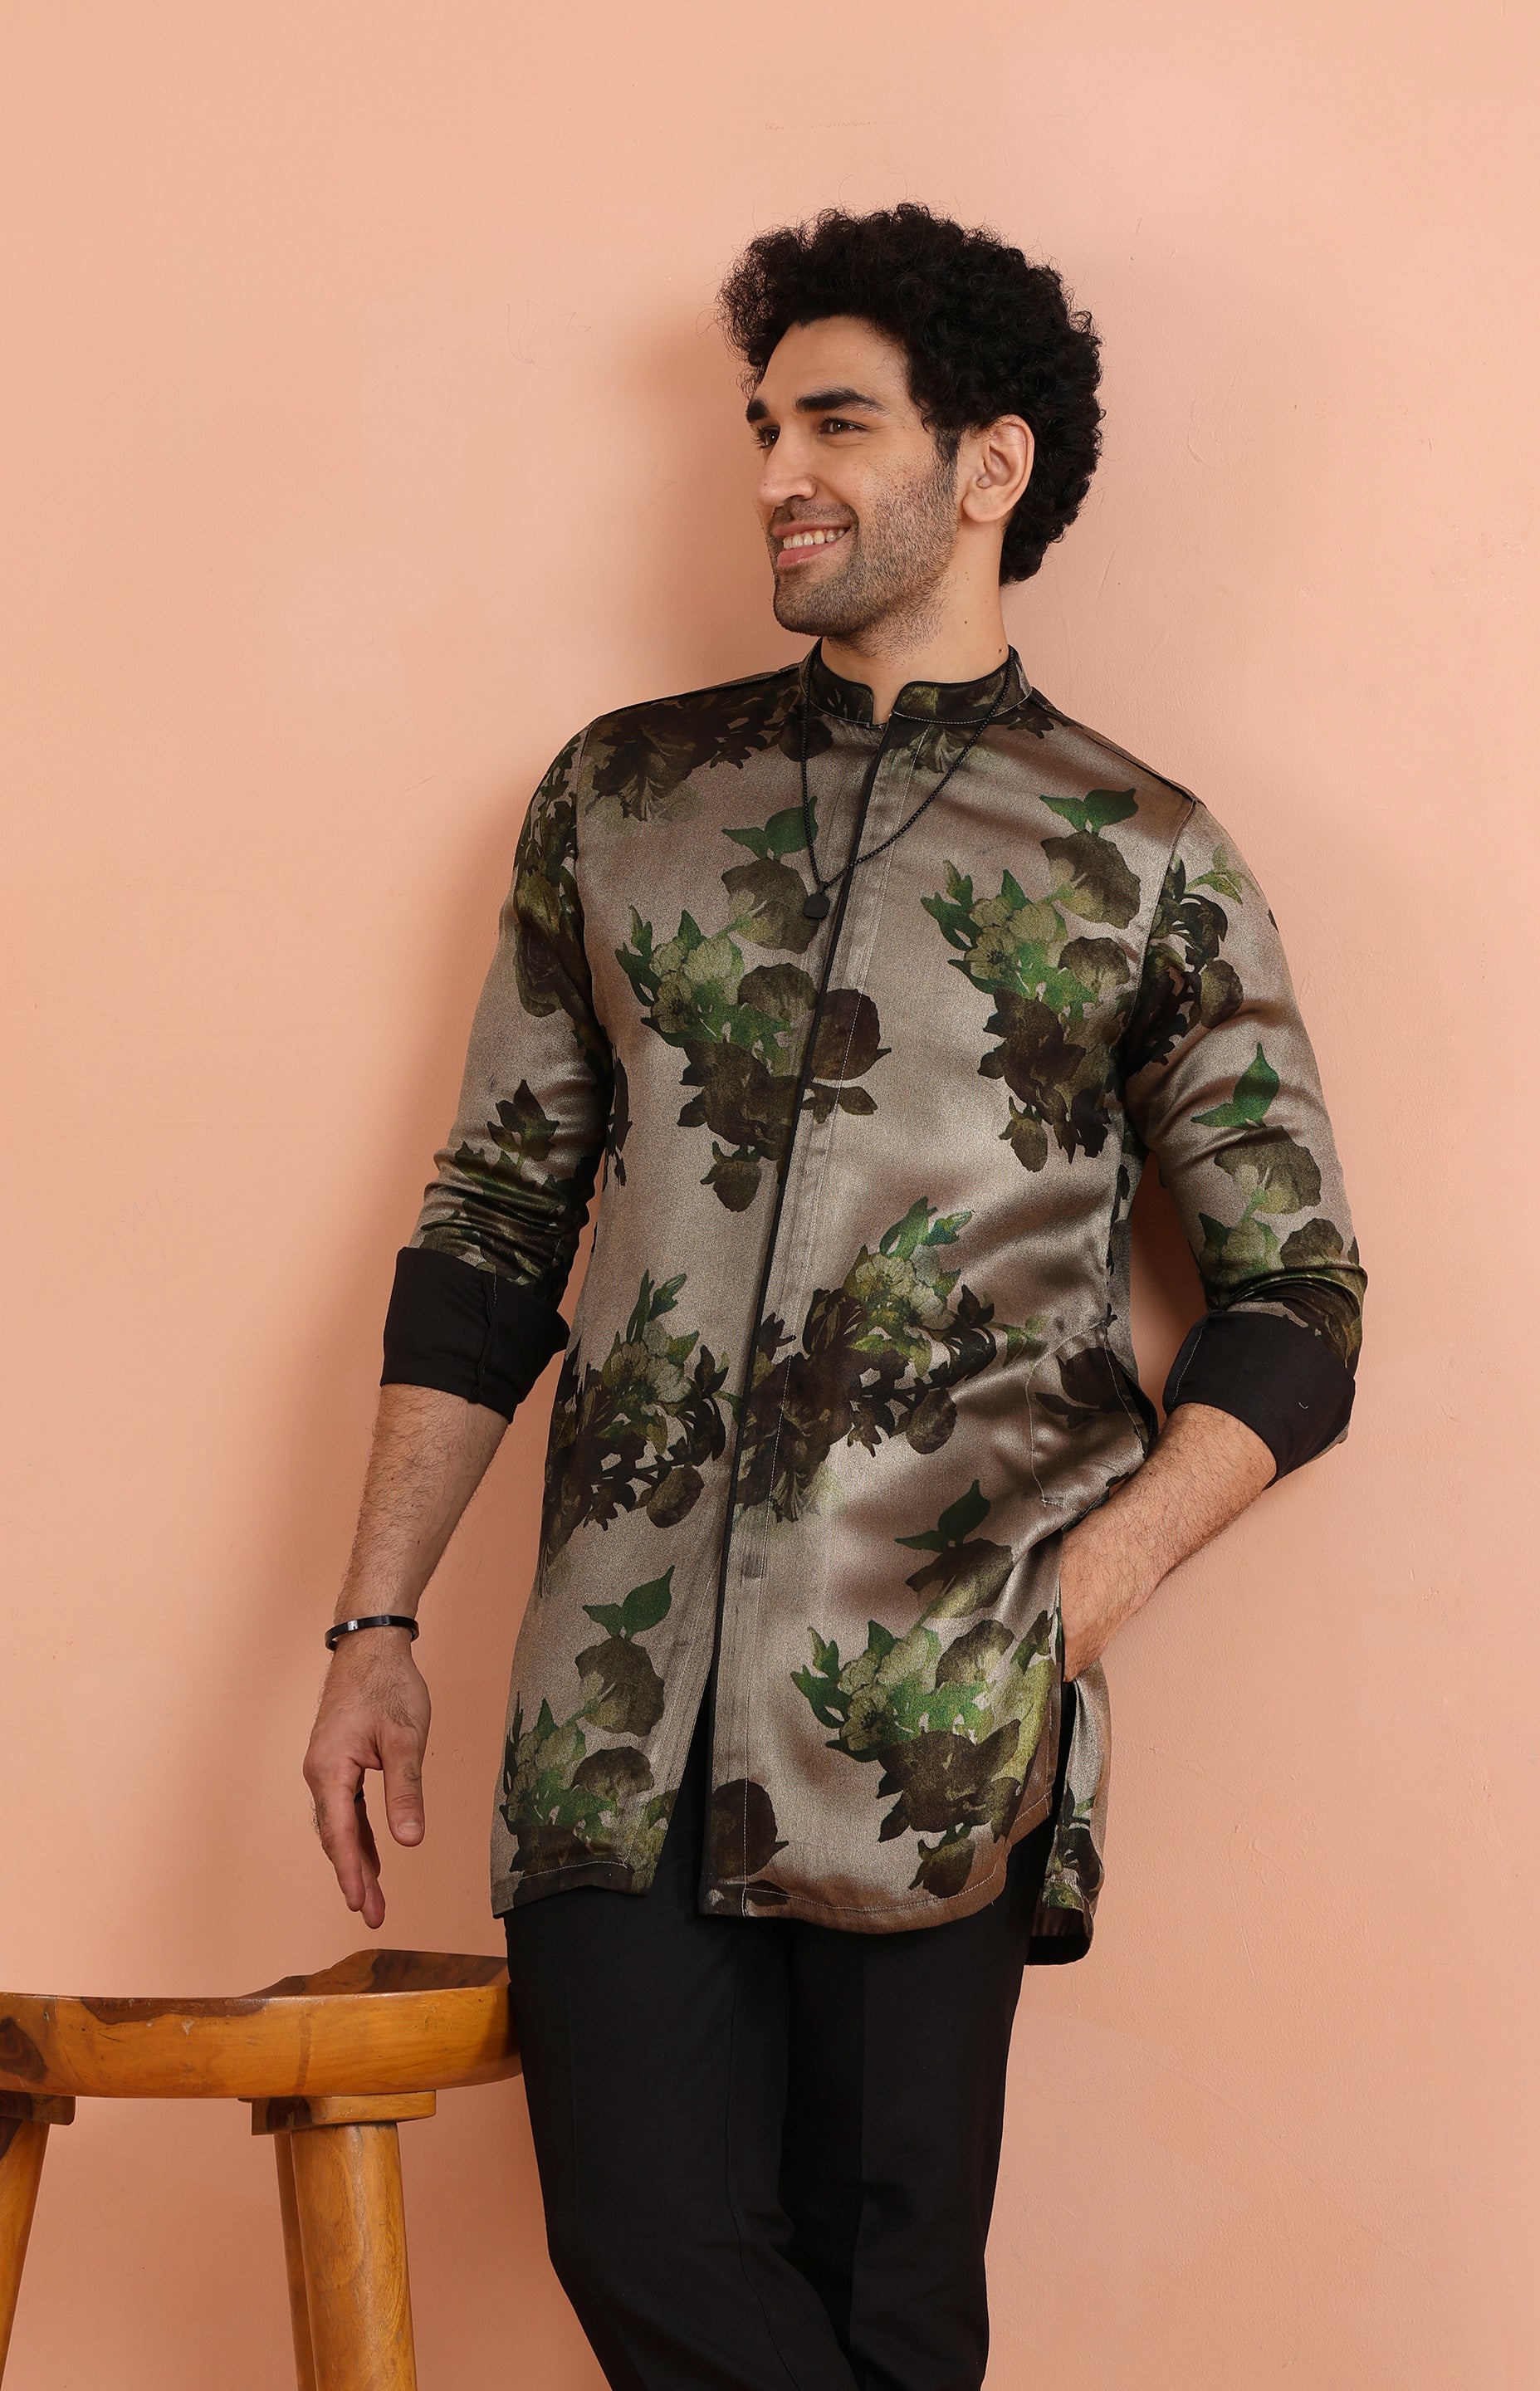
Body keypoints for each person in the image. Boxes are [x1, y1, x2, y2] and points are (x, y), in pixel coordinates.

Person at [303, 202, 1366, 2390]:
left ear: (989, 467)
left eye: (837, 423)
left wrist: (1064, 1609)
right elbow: (493, 1222)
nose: (778, 470)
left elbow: (1301, 1298)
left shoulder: (1142, 854)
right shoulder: (624, 798)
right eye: (765, 426)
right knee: (638, 2242)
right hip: (613, 1711)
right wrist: (374, 1623)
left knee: (893, 2321)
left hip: (932, 1733)